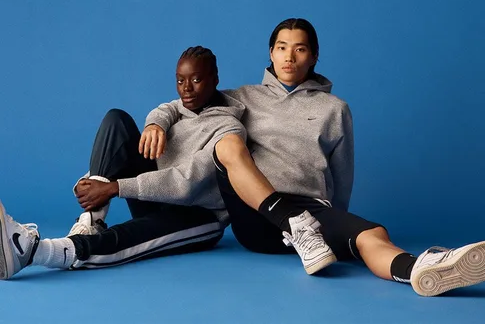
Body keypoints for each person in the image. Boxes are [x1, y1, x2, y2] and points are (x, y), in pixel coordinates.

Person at [146, 18, 485, 297]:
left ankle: (421, 269)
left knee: (371, 234)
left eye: (299, 49)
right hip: (256, 216)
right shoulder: (242, 97)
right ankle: (294, 226)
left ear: (313, 57)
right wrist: (155, 123)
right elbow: (181, 103)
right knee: (226, 145)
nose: (289, 57)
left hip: (310, 216)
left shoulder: (335, 110)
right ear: (271, 53)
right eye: (281, 48)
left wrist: (338, 225)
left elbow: (342, 174)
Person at [0, 46, 246, 279]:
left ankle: (36, 251)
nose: (186, 90)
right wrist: (154, 125)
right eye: (180, 81)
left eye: (196, 80)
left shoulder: (229, 129)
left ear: (215, 79)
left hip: (198, 216)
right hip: (155, 196)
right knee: (116, 119)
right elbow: (166, 108)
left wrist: (115, 187)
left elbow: (185, 183)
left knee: (133, 234)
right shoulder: (182, 107)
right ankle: (91, 220)